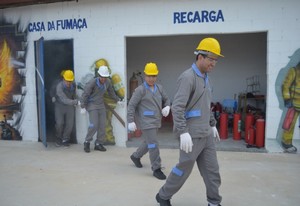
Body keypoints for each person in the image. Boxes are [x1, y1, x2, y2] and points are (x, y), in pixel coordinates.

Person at [155, 37, 223, 206]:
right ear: (200, 57)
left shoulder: (207, 78)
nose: (214, 63)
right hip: (191, 135)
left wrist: (213, 125)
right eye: (211, 59)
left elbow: (207, 106)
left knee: (212, 170)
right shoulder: (188, 77)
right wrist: (183, 131)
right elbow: (177, 107)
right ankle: (163, 196)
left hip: (206, 133)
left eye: (216, 60)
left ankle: (214, 202)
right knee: (183, 169)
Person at [128, 62, 171, 180]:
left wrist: (167, 106)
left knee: (148, 142)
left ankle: (136, 156)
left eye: (154, 76)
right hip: (146, 122)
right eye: (149, 76)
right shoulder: (140, 90)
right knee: (153, 144)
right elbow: (131, 105)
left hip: (157, 121)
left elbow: (167, 99)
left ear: (156, 76)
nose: (151, 79)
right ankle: (156, 168)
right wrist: (130, 121)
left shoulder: (160, 88)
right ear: (145, 75)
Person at [80, 65, 121, 153]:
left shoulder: (108, 82)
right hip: (92, 104)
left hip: (101, 104)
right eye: (102, 77)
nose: (103, 79)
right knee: (94, 124)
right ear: (99, 75)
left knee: (103, 125)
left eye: (105, 77)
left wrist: (118, 100)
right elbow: (85, 94)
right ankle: (87, 142)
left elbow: (111, 92)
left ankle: (98, 143)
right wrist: (83, 106)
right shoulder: (92, 83)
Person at [54, 70, 79, 147]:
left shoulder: (73, 85)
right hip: (59, 106)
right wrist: (75, 102)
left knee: (70, 124)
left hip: (69, 106)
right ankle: (58, 137)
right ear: (63, 79)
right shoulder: (59, 87)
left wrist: (77, 99)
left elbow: (74, 94)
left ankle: (65, 139)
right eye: (67, 81)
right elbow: (64, 99)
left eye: (70, 81)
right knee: (59, 123)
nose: (68, 83)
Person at [281, 61, 300, 153]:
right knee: (290, 125)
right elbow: (285, 85)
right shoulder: (294, 71)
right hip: (294, 104)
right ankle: (286, 143)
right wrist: (287, 99)